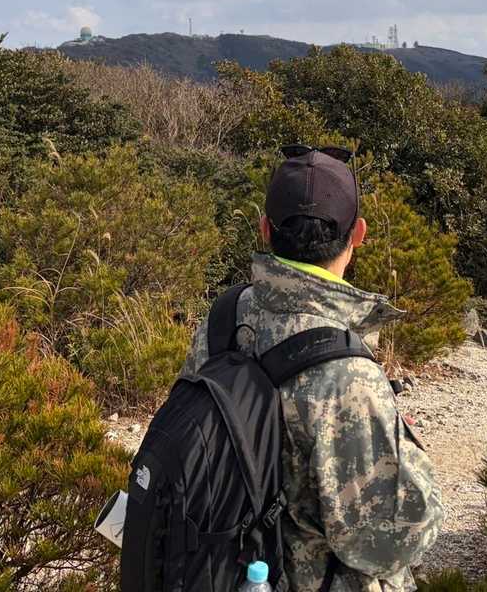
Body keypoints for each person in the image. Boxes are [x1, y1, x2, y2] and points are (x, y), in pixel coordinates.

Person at [180, 145, 443, 592]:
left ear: (265, 229)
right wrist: (413, 462)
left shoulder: (223, 319)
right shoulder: (348, 375)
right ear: (358, 234)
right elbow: (388, 545)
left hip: (218, 573)